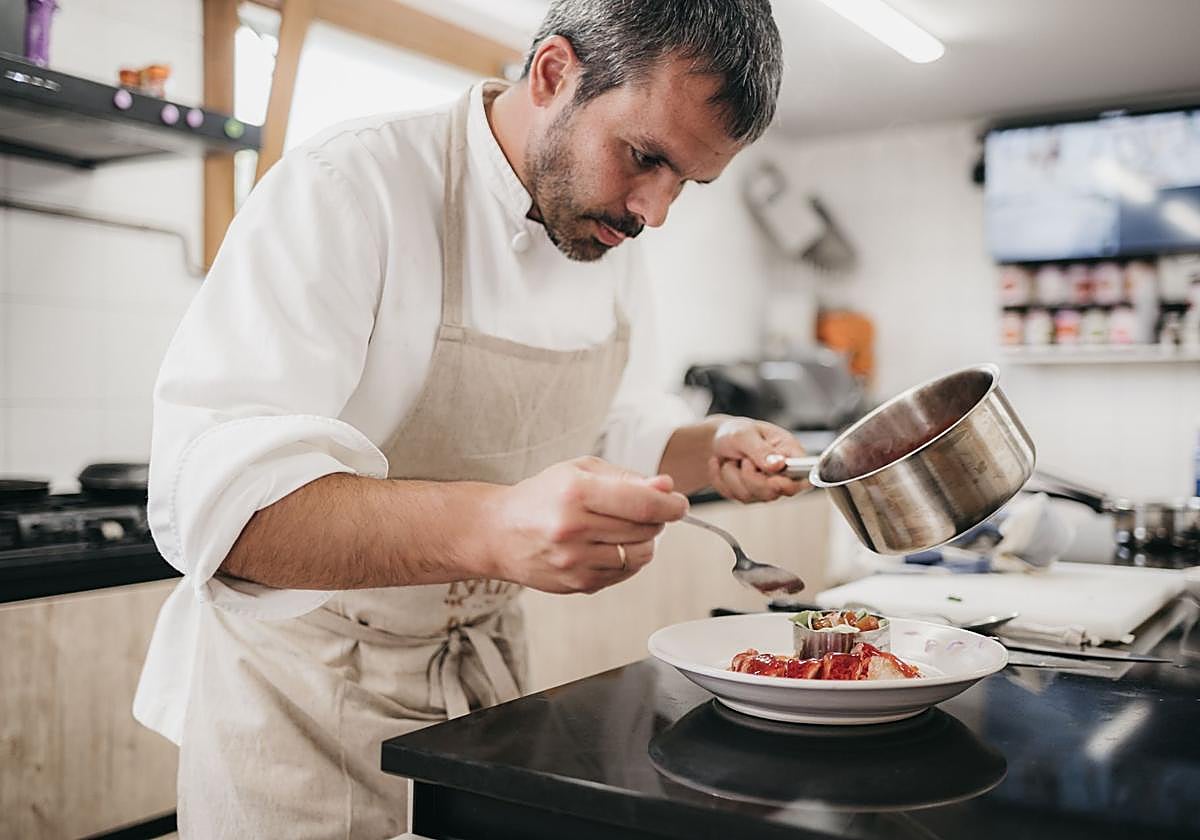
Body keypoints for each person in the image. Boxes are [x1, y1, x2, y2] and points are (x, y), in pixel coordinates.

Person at [133, 1, 793, 836]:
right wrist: (491, 527)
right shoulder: (349, 185)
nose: (652, 211)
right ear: (555, 73)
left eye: (685, 184)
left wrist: (715, 446)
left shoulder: (606, 234)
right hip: (299, 705)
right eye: (643, 156)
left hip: (480, 701)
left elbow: (612, 430)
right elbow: (222, 515)